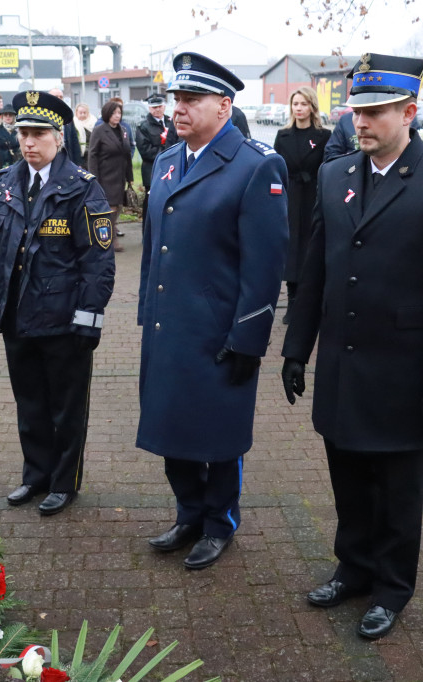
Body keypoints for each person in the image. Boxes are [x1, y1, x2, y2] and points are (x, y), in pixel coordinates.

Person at [281, 53, 423, 640]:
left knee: (397, 493)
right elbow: (315, 269)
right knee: (348, 480)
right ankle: (353, 569)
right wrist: (297, 348)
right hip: (343, 369)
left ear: (409, 112)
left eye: (376, 112)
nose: (361, 122)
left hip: (403, 375)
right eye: (356, 111)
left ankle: (391, 588)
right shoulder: (335, 175)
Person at [138, 52, 288, 570]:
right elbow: (154, 246)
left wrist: (249, 339)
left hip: (218, 334)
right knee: (171, 428)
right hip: (169, 327)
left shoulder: (255, 165)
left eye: (191, 99)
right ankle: (188, 513)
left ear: (224, 106)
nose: (178, 108)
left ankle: (219, 522)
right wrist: (147, 314)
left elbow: (265, 264)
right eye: (176, 99)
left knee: (219, 438)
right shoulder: (167, 161)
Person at [0, 90, 115, 516]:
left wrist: (89, 318)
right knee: (30, 404)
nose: (29, 142)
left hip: (63, 320)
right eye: (23, 134)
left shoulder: (82, 188)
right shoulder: (5, 184)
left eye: (38, 134)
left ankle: (63, 482)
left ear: (59, 137)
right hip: (16, 316)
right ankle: (35, 475)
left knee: (66, 409)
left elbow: (97, 262)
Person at [273, 86, 331, 323]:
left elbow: (328, 166)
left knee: (310, 249)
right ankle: (292, 301)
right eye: (295, 104)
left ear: (312, 107)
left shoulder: (323, 136)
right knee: (291, 249)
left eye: (304, 104)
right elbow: (275, 169)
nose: (299, 108)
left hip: (313, 197)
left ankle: (308, 304)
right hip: (290, 197)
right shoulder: (283, 135)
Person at [87, 100, 133, 253]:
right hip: (105, 176)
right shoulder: (99, 131)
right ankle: (109, 239)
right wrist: (94, 178)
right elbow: (92, 155)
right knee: (110, 208)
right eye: (114, 113)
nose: (117, 116)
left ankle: (105, 236)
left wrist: (130, 177)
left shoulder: (123, 130)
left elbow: (127, 154)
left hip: (120, 176)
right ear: (107, 114)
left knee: (118, 207)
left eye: (119, 113)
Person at [135, 94, 178, 225]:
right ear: (149, 108)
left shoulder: (172, 122)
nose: (157, 110)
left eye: (160, 106)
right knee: (151, 200)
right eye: (154, 107)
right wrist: (167, 152)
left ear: (164, 107)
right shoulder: (143, 126)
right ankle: (147, 229)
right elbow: (145, 150)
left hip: (172, 167)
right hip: (152, 169)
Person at [49, 88, 82, 165]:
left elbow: (74, 140)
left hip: (67, 158)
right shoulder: (43, 116)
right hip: (50, 158)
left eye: (61, 97)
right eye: (56, 96)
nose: (59, 99)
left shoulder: (67, 115)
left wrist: (78, 163)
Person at [0, 104, 21, 168]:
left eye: (10, 114)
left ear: (14, 116)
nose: (8, 116)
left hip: (16, 162)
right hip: (0, 162)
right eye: (5, 114)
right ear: (2, 116)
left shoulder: (19, 129)